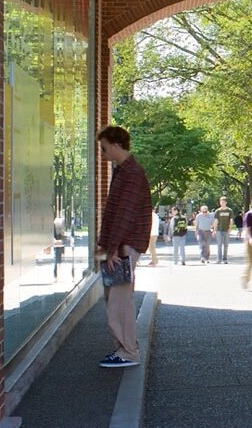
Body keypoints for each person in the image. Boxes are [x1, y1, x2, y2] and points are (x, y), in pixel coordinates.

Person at [95, 125, 152, 369]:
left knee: (119, 300)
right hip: (123, 246)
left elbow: (124, 215)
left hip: (124, 247)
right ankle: (125, 348)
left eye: (105, 148)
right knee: (118, 298)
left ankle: (128, 351)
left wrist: (113, 249)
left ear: (116, 145)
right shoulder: (126, 172)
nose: (103, 153)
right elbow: (119, 214)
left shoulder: (130, 174)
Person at [214, 196, 233, 264]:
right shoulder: (218, 211)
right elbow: (216, 221)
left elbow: (231, 220)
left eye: (223, 202)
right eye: (221, 202)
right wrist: (214, 230)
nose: (222, 203)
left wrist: (230, 228)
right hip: (219, 230)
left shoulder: (229, 210)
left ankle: (225, 259)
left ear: (226, 203)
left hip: (226, 230)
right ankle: (219, 259)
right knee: (219, 245)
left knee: (226, 245)